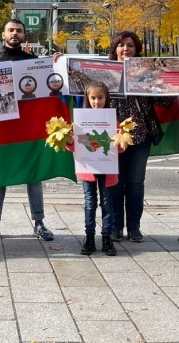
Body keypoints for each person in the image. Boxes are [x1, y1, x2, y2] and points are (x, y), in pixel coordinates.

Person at [0, 18, 55, 242]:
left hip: (28, 129)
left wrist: (57, 62)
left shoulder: (35, 61)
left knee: (34, 176)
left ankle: (39, 222)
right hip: (2, 129)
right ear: (3, 35)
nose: (14, 34)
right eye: (10, 30)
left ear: (24, 35)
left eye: (19, 31)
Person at [106, 31, 176, 243]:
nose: (125, 49)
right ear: (114, 49)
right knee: (115, 184)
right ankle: (116, 227)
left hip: (139, 137)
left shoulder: (146, 72)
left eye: (130, 45)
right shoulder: (104, 72)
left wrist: (174, 83)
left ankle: (134, 227)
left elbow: (164, 103)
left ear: (137, 50)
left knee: (136, 184)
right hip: (112, 137)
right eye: (121, 45)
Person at [76, 82, 119, 256]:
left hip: (107, 170)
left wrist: (120, 140)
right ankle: (90, 237)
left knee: (107, 204)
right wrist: (72, 141)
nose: (96, 102)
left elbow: (121, 148)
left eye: (100, 98)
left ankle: (107, 237)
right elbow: (75, 146)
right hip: (88, 169)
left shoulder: (113, 119)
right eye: (93, 98)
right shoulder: (80, 120)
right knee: (90, 203)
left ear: (106, 98)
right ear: (87, 98)